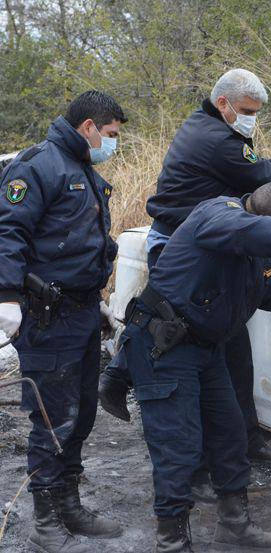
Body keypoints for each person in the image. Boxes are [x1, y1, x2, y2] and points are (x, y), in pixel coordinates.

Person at [98, 68, 271, 465]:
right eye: (248, 110)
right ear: (223, 103)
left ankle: (239, 441)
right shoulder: (217, 139)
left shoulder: (212, 128)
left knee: (229, 348)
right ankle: (194, 457)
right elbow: (266, 175)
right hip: (189, 251)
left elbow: (261, 166)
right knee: (184, 345)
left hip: (210, 244)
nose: (252, 117)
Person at [109, 182, 271, 552]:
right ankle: (171, 542)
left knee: (230, 434)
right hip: (165, 348)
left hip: (207, 349)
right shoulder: (218, 215)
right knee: (178, 447)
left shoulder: (255, 247)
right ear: (264, 219)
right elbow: (249, 231)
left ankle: (235, 525)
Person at [0, 91, 126, 553]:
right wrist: (7, 296)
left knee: (81, 414)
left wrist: (96, 300)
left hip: (80, 311)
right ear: (89, 127)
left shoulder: (82, 171)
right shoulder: (37, 166)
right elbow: (8, 232)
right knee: (52, 419)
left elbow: (80, 242)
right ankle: (45, 517)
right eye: (110, 135)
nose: (113, 143)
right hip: (47, 317)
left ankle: (69, 502)